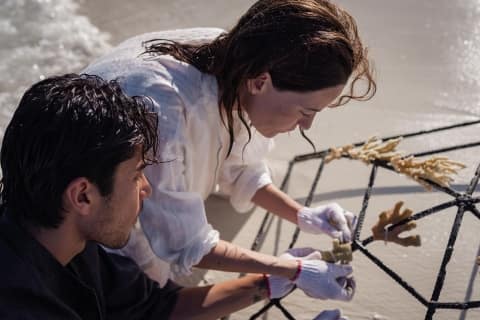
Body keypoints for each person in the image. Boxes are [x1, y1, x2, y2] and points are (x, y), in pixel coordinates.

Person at [0, 73, 351, 320]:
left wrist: (270, 283)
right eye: (137, 174)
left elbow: (158, 309)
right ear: (83, 196)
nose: (146, 188)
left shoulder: (73, 242)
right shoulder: (21, 303)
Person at [84, 0, 373, 297]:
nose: (307, 126)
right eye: (305, 111)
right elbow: (186, 243)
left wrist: (303, 215)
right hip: (90, 230)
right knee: (148, 286)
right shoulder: (163, 111)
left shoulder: (232, 54)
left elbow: (238, 163)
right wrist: (291, 270)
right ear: (261, 82)